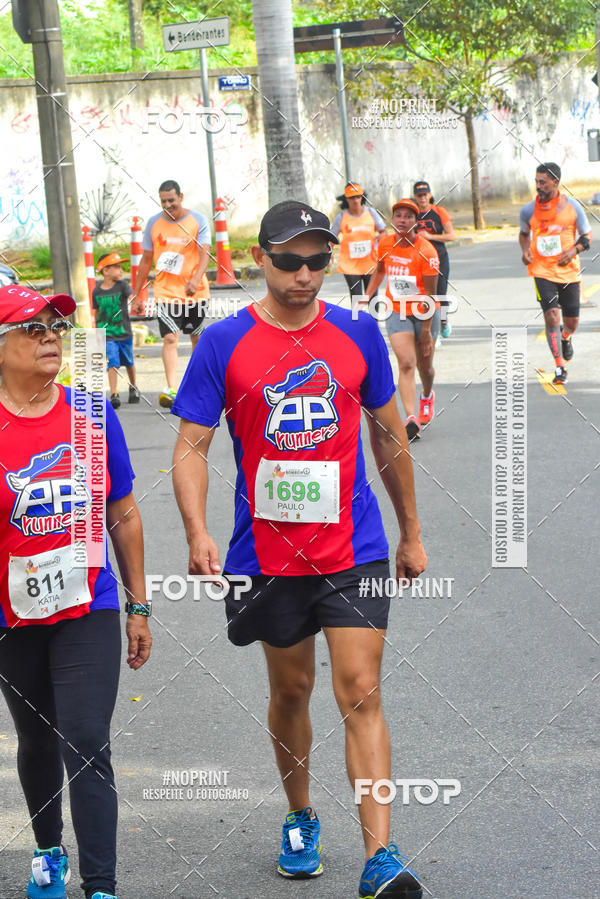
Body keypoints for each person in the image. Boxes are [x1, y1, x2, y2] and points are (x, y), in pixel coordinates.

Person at [171, 200, 428, 899]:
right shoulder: (223, 343)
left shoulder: (358, 332)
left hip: (353, 546)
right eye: (289, 260)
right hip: (267, 555)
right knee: (292, 690)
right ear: (260, 259)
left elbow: (388, 436)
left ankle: (380, 856)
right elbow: (191, 447)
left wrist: (410, 530)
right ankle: (300, 812)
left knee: (360, 689)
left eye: (318, 260)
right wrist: (196, 530)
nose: (305, 273)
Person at [0, 284, 152, 899]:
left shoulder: (90, 412)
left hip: (88, 602)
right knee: (37, 737)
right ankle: (47, 852)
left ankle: (101, 886)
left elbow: (122, 512)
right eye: (32, 327)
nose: (49, 337)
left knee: (86, 738)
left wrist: (139, 604)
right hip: (11, 615)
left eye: (55, 326)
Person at [132, 179, 211, 408]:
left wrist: (196, 279)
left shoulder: (198, 220)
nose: (168, 205)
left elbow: (205, 253)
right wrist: (136, 293)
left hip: (195, 292)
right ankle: (171, 388)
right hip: (166, 292)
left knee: (197, 337)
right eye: (163, 201)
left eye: (171, 200)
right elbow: (146, 260)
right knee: (169, 338)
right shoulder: (154, 223)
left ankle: (196, 384)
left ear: (181, 197)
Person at [365, 199, 440, 442]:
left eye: (408, 216)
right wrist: (366, 296)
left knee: (425, 367)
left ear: (416, 222)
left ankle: (426, 395)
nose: (402, 220)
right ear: (392, 219)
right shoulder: (386, 244)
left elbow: (431, 295)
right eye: (398, 215)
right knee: (406, 363)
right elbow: (380, 271)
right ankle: (411, 418)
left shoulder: (428, 251)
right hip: (396, 310)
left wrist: (426, 331)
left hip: (424, 312)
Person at [519, 162, 592, 384]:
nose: (538, 186)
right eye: (536, 181)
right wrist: (525, 250)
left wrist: (573, 251)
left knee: (572, 322)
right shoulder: (528, 210)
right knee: (551, 315)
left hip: (568, 271)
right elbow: (524, 234)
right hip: (541, 270)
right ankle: (560, 367)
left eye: (543, 182)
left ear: (555, 182)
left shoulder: (573, 207)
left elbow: (587, 237)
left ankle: (565, 336)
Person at [92, 252, 139, 410]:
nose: (121, 270)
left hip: (124, 333)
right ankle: (114, 394)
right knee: (112, 362)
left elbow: (132, 297)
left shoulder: (122, 286)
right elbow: (96, 313)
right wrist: (97, 332)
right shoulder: (97, 292)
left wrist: (137, 303)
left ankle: (133, 386)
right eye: (117, 267)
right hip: (108, 335)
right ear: (105, 270)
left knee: (129, 362)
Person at [413, 181, 455, 338]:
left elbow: (451, 235)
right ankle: (430, 330)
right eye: (419, 196)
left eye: (425, 195)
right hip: (419, 261)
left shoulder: (439, 212)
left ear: (429, 195)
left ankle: (443, 321)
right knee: (424, 295)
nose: (422, 198)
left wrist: (430, 237)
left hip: (439, 259)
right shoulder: (412, 214)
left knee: (440, 293)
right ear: (415, 197)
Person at [331, 182, 386, 301]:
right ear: (346, 199)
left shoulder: (371, 213)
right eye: (352, 197)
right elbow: (331, 237)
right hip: (350, 266)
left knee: (373, 297)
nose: (355, 200)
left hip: (370, 263)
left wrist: (381, 237)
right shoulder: (341, 217)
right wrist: (328, 252)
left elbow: (383, 232)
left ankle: (373, 315)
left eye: (358, 196)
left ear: (362, 197)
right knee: (356, 298)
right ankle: (357, 314)